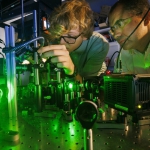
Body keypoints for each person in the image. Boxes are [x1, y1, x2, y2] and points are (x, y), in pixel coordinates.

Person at [37, 0, 109, 81]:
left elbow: (86, 85)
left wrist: (72, 71)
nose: (61, 43)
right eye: (59, 35)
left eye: (70, 36)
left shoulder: (99, 44)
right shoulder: (56, 40)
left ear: (85, 35)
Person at [108, 0, 150, 74]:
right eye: (113, 29)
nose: (116, 35)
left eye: (120, 24)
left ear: (146, 18)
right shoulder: (124, 55)